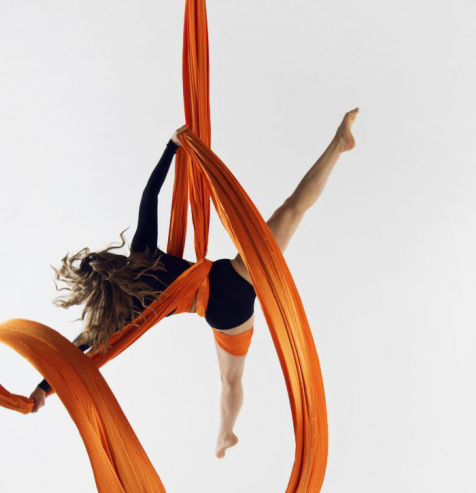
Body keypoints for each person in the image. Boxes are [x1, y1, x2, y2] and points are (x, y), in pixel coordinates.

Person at [29, 109, 359, 457]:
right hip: (233, 274)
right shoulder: (140, 253)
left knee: (230, 381)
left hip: (225, 315)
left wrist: (42, 389)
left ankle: (225, 434)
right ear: (110, 260)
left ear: (99, 293)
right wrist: (171, 147)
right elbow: (150, 195)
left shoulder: (123, 311)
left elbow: (76, 349)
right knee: (291, 209)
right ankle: (338, 144)